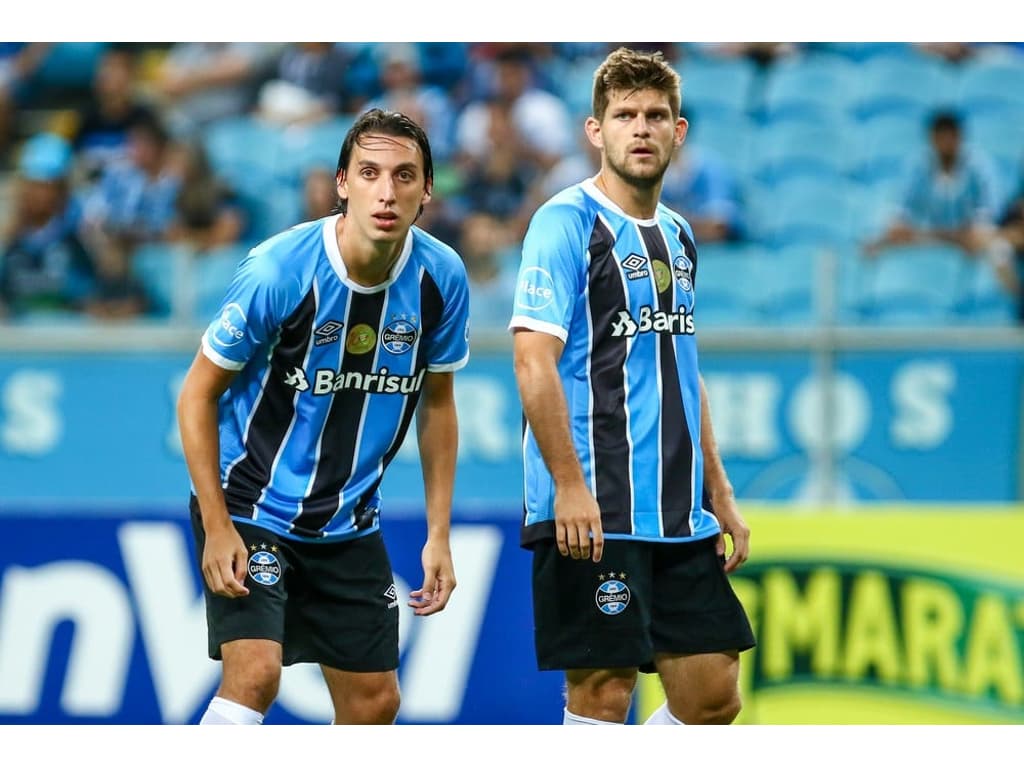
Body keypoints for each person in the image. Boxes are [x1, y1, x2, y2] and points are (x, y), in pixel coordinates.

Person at [176, 108, 470, 726]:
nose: (386, 192)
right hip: (251, 506)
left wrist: (439, 532)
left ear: (427, 191)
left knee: (375, 702)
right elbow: (197, 395)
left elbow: (438, 404)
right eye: (369, 173)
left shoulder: (442, 277)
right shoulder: (279, 270)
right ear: (342, 183)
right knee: (253, 676)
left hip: (348, 525)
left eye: (404, 176)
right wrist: (218, 523)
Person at [508, 47, 755, 726]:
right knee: (602, 694)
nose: (640, 128)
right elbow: (534, 361)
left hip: (679, 515)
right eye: (624, 115)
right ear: (596, 131)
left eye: (655, 115)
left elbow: (682, 368)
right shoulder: (565, 223)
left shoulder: (677, 234)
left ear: (679, 131)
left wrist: (720, 491)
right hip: (593, 506)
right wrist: (567, 485)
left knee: (712, 696)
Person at [864, 109, 999, 258]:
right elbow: (903, 206)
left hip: (965, 235)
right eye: (940, 137)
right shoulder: (917, 165)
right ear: (931, 138)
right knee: (877, 240)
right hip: (924, 233)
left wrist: (977, 228)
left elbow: (987, 209)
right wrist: (900, 222)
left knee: (992, 245)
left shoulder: (978, 166)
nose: (945, 143)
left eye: (950, 137)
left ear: (959, 137)